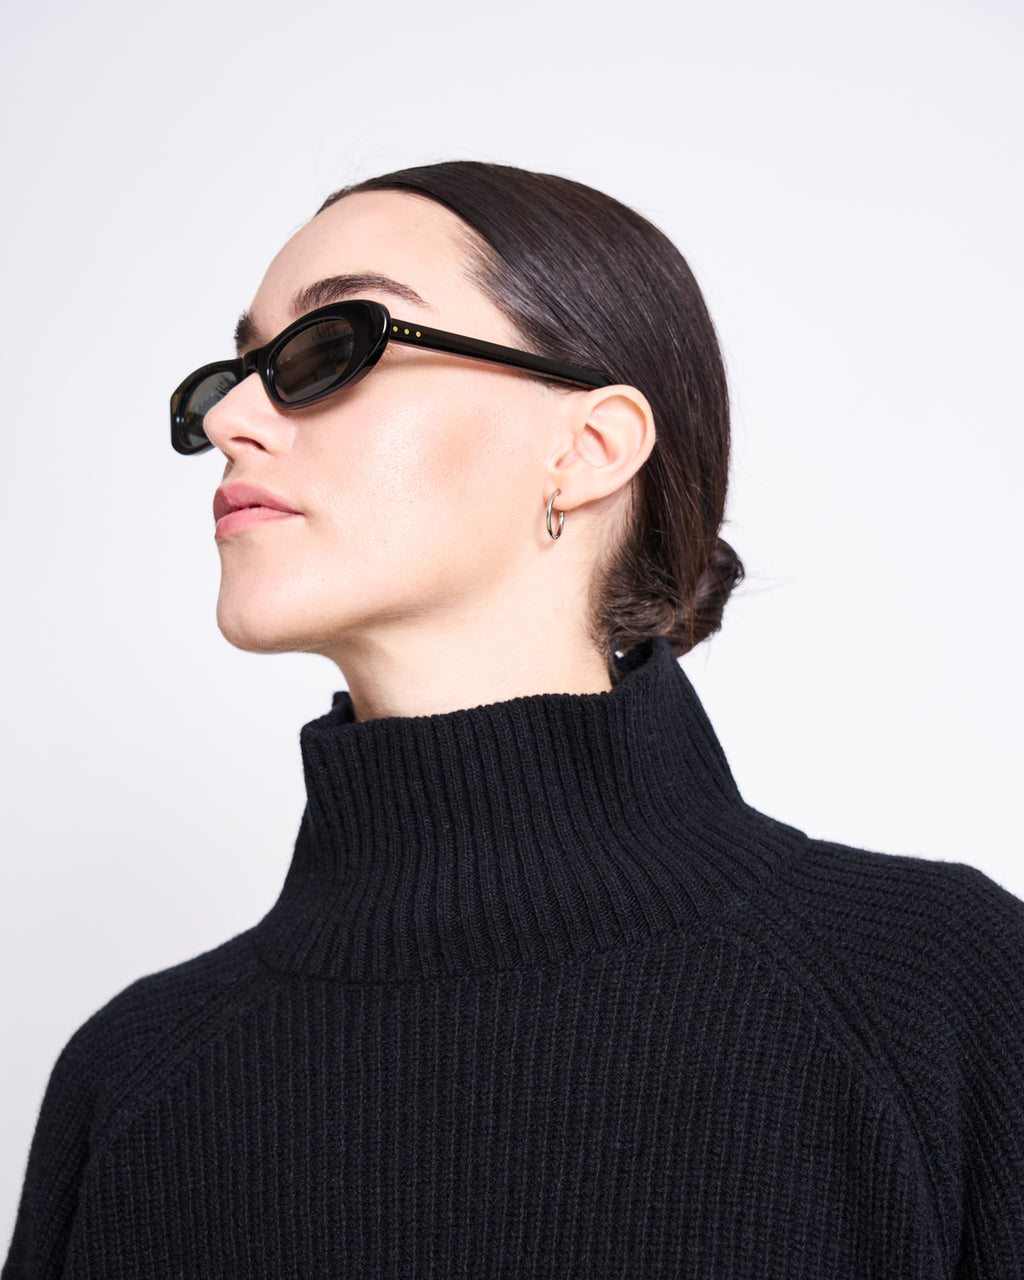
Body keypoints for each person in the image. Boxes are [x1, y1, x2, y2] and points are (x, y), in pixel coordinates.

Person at [3, 160, 1022, 1279]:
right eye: (230, 374)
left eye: (328, 345)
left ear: (587, 448)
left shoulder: (935, 993)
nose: (234, 417)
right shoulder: (135, 1080)